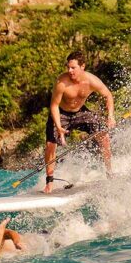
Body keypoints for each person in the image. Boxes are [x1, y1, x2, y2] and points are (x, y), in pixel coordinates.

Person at [44, 50, 116, 193]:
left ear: (82, 66)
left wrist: (110, 116)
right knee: (51, 144)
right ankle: (49, 181)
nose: (69, 71)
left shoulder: (91, 81)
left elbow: (108, 95)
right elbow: (54, 105)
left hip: (81, 112)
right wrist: (59, 127)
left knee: (104, 136)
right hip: (61, 114)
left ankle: (109, 173)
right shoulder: (62, 82)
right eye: (68, 67)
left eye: (73, 68)